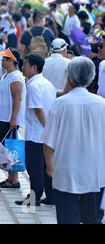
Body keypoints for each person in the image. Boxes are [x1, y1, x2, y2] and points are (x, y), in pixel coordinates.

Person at [42, 57, 105, 224]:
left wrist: (49, 165)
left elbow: (48, 143)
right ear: (91, 77)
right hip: (96, 172)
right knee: (92, 219)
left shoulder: (60, 104)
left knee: (67, 218)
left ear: (69, 78)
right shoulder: (102, 104)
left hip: (65, 171)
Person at [16, 54, 56, 207]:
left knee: (34, 168)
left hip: (36, 133)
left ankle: (35, 198)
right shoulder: (46, 83)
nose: (22, 67)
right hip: (45, 134)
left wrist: (46, 127)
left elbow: (38, 109)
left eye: (25, 64)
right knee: (46, 166)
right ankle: (50, 196)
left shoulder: (33, 85)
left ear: (34, 67)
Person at [0, 48, 26, 189]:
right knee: (6, 148)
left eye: (5, 58)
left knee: (11, 148)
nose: (2, 61)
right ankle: (9, 177)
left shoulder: (16, 77)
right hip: (2, 117)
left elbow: (17, 98)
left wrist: (14, 118)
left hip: (8, 118)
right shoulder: (6, 75)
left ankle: (14, 179)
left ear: (12, 61)